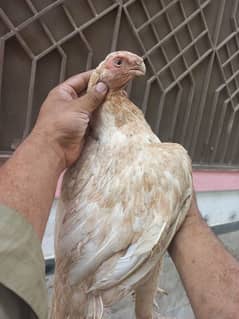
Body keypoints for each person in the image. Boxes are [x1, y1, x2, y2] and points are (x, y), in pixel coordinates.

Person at [0, 71, 239, 319]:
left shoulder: (104, 149)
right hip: (77, 278)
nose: (136, 65)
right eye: (119, 63)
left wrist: (51, 141)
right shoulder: (118, 151)